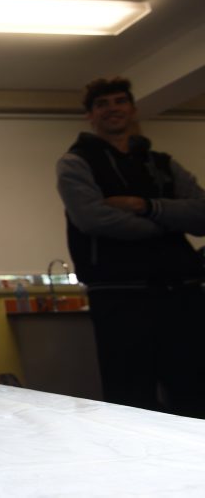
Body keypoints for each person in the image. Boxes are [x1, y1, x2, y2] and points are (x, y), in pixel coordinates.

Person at [56, 77, 205, 416]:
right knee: (130, 396)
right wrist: (169, 221)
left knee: (194, 389)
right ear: (90, 116)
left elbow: (202, 213)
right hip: (119, 295)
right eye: (102, 104)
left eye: (119, 101)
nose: (112, 109)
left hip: (182, 293)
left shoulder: (164, 164)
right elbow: (93, 218)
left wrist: (145, 206)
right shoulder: (76, 163)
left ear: (133, 109)